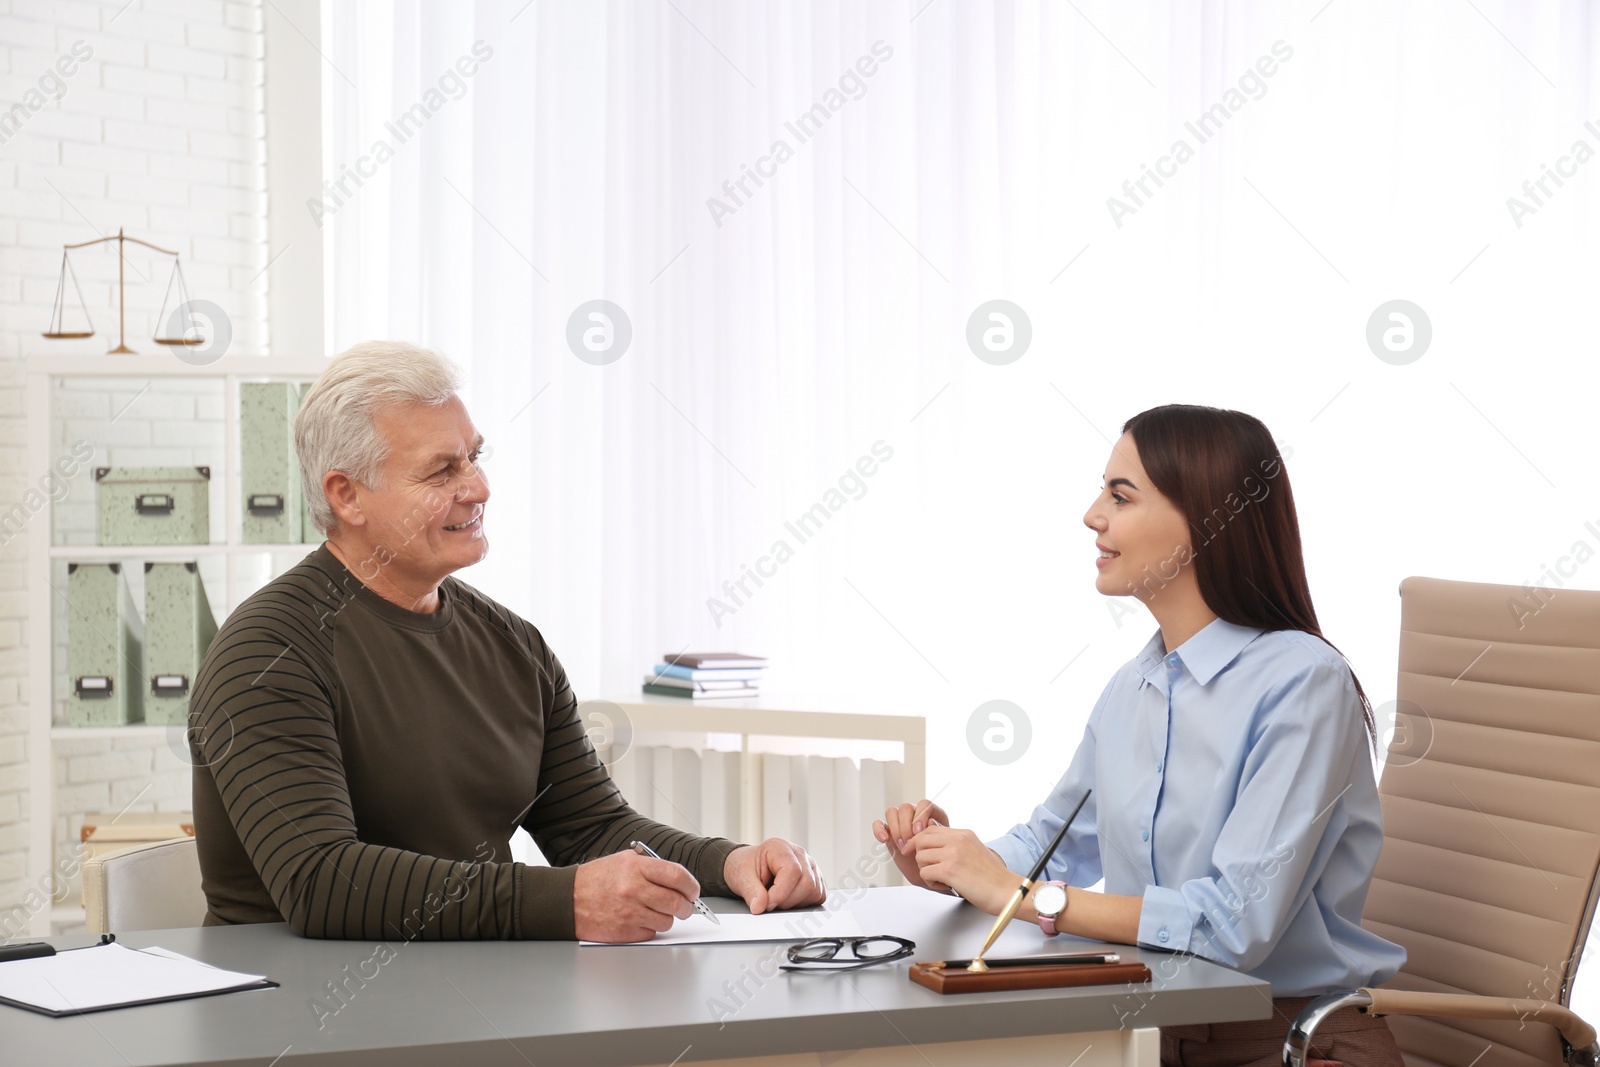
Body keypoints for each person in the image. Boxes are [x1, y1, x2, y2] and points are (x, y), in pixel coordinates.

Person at [190, 341, 825, 943]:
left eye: (474, 456)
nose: (478, 487)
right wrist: (568, 901)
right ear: (346, 495)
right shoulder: (266, 654)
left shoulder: (514, 646)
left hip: (472, 990)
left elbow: (591, 829)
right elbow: (320, 883)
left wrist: (733, 862)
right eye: (441, 470)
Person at [875, 404, 1407, 1066]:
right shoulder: (1135, 685)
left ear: (1203, 520)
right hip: (1152, 1032)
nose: (1092, 514)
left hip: (1292, 1041)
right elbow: (1052, 845)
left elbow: (1232, 923)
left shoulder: (1304, 684)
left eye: (1119, 495)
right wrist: (950, 862)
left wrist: (1020, 895)